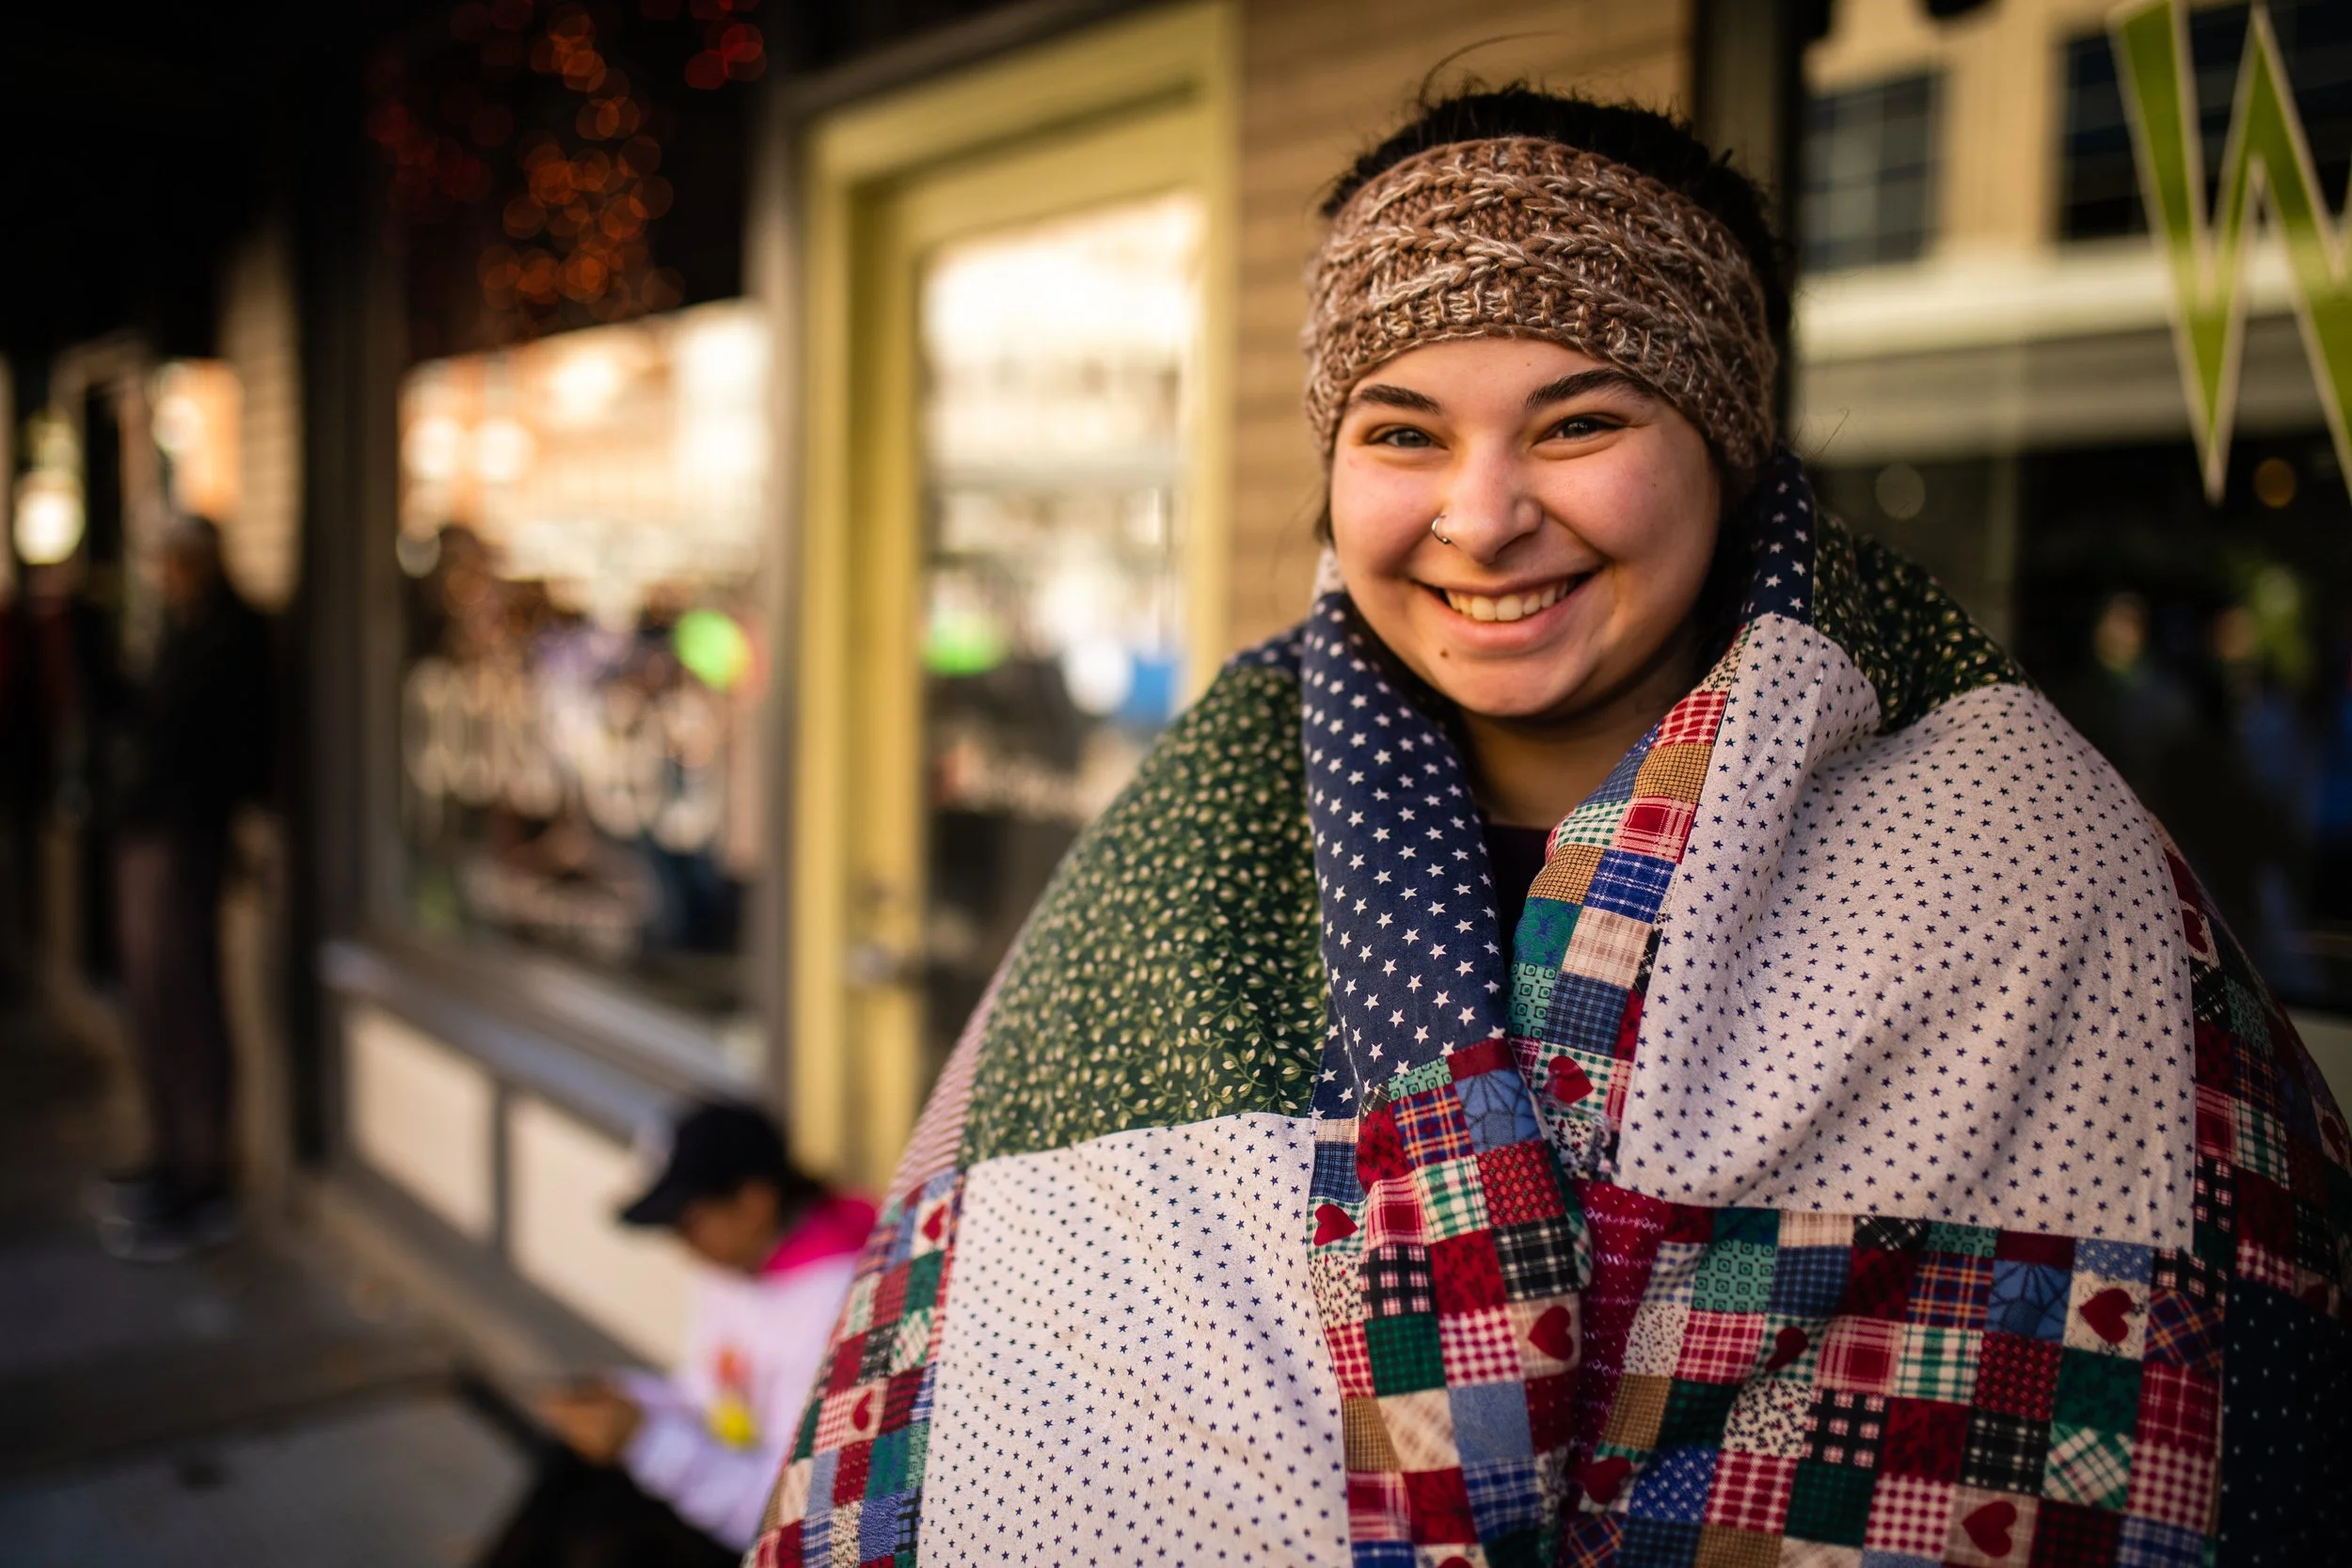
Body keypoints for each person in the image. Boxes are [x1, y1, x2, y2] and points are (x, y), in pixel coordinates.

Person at [745, 86, 2352, 1566]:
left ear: (1722, 445)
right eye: (1401, 431)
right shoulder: (1177, 858)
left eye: (1580, 423)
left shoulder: (2029, 854)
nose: (1483, 511)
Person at [481, 1101, 871, 1568]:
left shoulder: (838, 1304)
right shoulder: (741, 1259)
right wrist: (628, 1401)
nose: (681, 1247)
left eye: (687, 1224)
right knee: (577, 1467)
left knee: (602, 1537)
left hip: (785, 1537)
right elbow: (710, 1398)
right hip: (728, 1484)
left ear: (753, 1202)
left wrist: (644, 1439)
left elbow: (785, 1516)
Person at [98, 515, 271, 1262]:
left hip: (189, 837)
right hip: (153, 833)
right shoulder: (182, 631)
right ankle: (174, 1154)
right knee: (152, 1000)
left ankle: (203, 1173)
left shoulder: (231, 636)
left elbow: (184, 734)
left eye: (174, 564)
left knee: (184, 997)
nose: (165, 577)